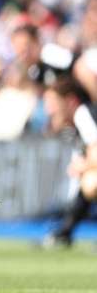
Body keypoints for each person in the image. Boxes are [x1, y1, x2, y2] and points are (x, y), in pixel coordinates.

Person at [40, 76, 96, 248]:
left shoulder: (83, 115)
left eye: (53, 103)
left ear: (70, 101)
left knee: (91, 181)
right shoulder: (74, 126)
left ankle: (65, 231)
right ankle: (65, 232)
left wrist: (83, 165)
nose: (48, 110)